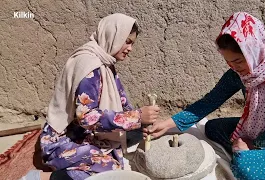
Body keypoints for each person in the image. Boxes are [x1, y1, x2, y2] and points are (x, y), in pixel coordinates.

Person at [145, 12, 265, 179]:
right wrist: (168, 124)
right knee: (212, 128)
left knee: (245, 168)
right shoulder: (240, 74)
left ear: (252, 50)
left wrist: (252, 144)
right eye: (228, 62)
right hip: (257, 127)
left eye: (237, 61)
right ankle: (245, 151)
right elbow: (210, 101)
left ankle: (255, 156)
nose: (234, 68)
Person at [21, 13, 160, 180]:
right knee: (109, 169)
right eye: (127, 42)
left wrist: (141, 121)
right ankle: (42, 177)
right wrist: (136, 117)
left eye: (132, 44)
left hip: (87, 133)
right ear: (113, 36)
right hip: (68, 137)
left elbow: (122, 102)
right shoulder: (90, 66)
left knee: (135, 134)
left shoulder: (105, 62)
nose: (130, 49)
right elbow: (87, 118)